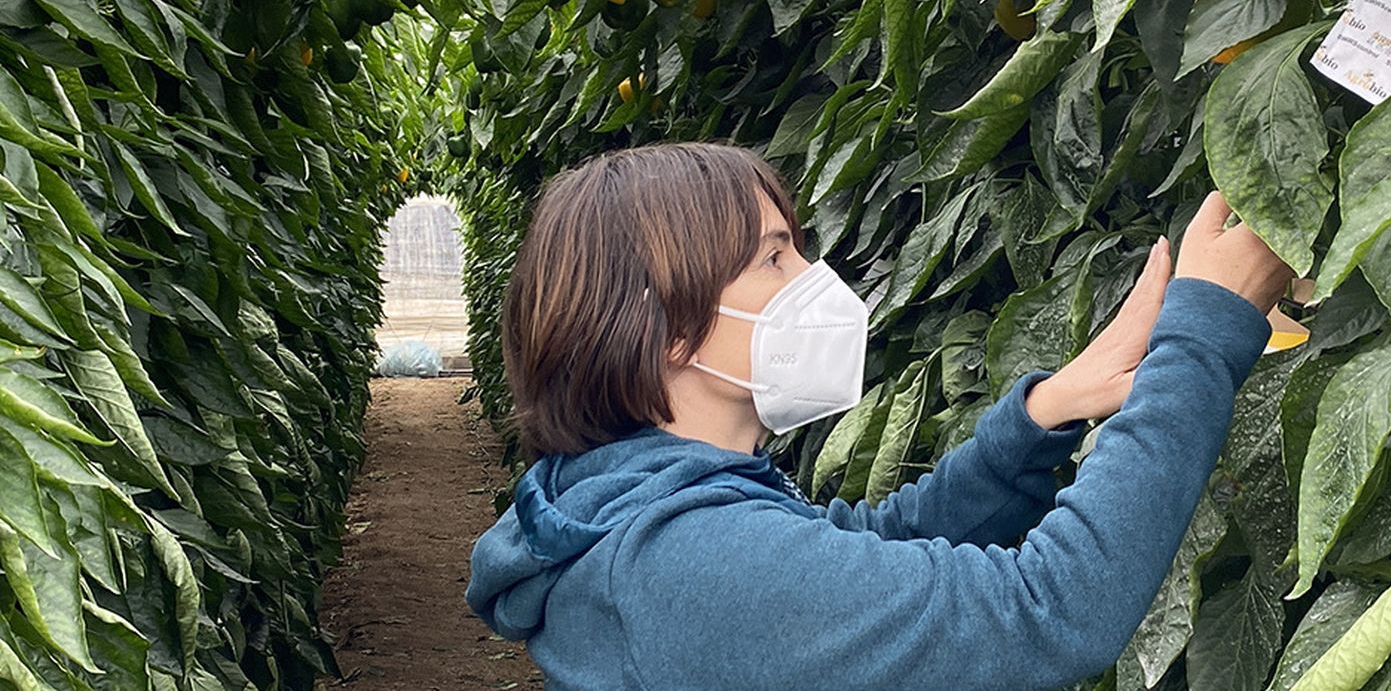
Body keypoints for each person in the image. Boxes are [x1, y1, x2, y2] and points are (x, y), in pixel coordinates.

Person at [467, 141, 1291, 690]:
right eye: (772, 257)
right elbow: (1051, 609)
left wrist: (1041, 416)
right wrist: (1203, 337)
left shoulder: (624, 503)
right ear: (668, 328)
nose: (809, 278)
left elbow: (863, 546)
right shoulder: (689, 564)